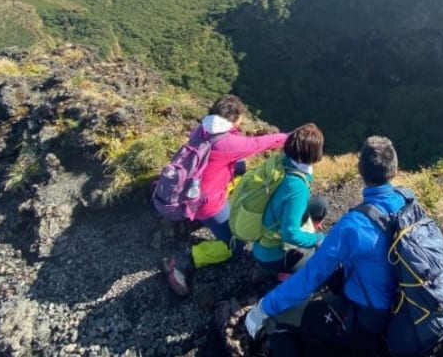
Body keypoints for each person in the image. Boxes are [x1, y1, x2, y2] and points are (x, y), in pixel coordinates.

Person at [245, 136, 405, 356]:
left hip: (365, 319)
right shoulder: (409, 205)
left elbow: (312, 275)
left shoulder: (354, 225)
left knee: (276, 316)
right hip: (401, 310)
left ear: (360, 171)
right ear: (395, 172)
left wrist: (264, 306)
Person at [162, 94, 288, 296]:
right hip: (206, 203)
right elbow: (259, 144)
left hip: (190, 188)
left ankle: (195, 218)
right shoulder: (227, 143)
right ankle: (184, 260)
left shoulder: (202, 129)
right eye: (240, 119)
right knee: (235, 243)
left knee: (240, 166)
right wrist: (289, 138)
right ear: (234, 119)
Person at [252, 123, 328, 279]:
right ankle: (285, 273)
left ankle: (303, 244)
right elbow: (290, 234)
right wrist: (317, 239)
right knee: (323, 262)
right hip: (272, 254)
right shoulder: (297, 187)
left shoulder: (280, 162)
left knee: (320, 204)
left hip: (262, 235)